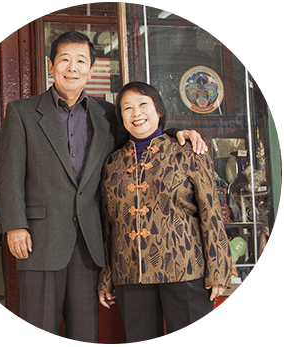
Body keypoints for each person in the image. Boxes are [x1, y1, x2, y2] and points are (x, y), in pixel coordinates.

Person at [0, 31, 207, 343]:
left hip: (89, 244)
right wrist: (15, 225)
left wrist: (177, 132)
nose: (73, 67)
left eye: (81, 61)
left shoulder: (108, 114)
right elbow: (8, 174)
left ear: (91, 71)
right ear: (51, 66)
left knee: (85, 333)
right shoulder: (22, 112)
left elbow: (141, 134)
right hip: (39, 240)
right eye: (64, 60)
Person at [98, 81, 232, 343]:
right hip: (131, 273)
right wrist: (107, 277)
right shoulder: (112, 164)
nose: (136, 113)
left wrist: (218, 268)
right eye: (127, 108)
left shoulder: (188, 151)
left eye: (143, 104)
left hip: (185, 269)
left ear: (158, 110)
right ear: (121, 118)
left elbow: (211, 213)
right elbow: (108, 225)